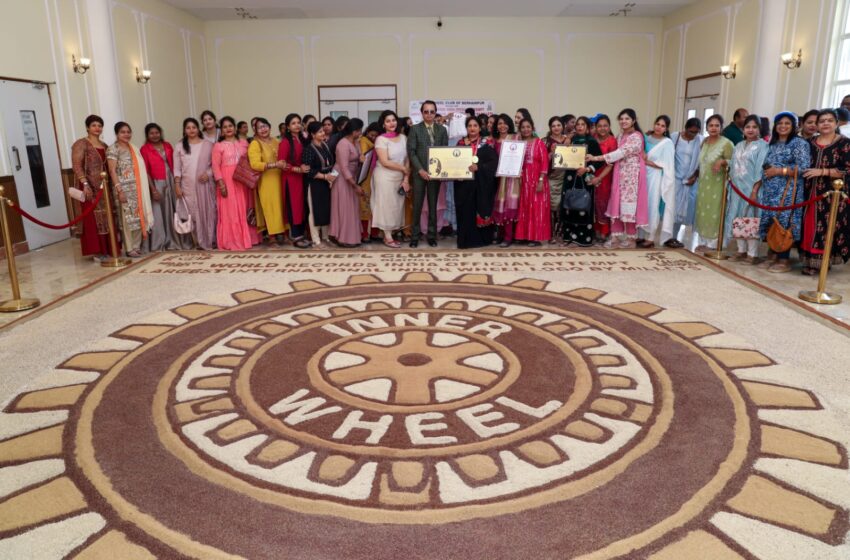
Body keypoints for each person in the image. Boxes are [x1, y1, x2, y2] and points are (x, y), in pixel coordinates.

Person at [757, 112, 811, 273]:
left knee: (784, 221)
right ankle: (772, 255)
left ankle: (784, 259)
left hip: (788, 189)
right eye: (780, 123)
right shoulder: (772, 143)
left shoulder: (798, 143)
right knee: (771, 220)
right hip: (770, 190)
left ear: (794, 126)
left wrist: (780, 171)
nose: (783, 126)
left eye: (787, 123)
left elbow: (803, 167)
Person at [587, 108, 648, 249]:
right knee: (617, 204)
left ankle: (631, 240)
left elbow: (619, 153)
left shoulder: (637, 136)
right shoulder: (620, 136)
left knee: (629, 207)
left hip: (631, 176)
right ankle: (615, 238)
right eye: (621, 119)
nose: (623, 121)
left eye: (627, 118)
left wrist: (596, 157)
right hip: (619, 174)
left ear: (633, 120)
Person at [800, 109, 850, 274]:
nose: (826, 123)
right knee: (808, 225)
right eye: (822, 121)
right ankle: (809, 260)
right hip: (809, 192)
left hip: (832, 194)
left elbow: (847, 169)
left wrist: (822, 172)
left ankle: (822, 262)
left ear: (836, 123)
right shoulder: (810, 142)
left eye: (829, 120)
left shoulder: (844, 143)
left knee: (827, 226)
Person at [724, 115, 768, 263]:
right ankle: (741, 250)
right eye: (747, 127)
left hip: (751, 190)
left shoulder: (763, 146)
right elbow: (735, 164)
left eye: (754, 127)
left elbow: (759, 169)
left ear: (759, 129)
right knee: (737, 218)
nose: (750, 130)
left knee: (750, 219)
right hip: (736, 190)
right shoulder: (739, 145)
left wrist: (754, 191)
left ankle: (752, 254)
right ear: (743, 129)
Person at [106, 122, 153, 258]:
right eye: (123, 132)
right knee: (127, 220)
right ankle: (129, 247)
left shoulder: (133, 148)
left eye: (128, 131)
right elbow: (112, 171)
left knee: (138, 217)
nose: (126, 134)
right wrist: (119, 190)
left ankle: (136, 246)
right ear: (117, 134)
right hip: (124, 190)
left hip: (137, 189)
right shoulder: (113, 149)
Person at [71, 115, 113, 260]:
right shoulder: (81, 144)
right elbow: (77, 165)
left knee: (106, 216)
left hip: (105, 187)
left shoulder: (105, 145)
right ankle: (97, 251)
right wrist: (85, 184)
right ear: (88, 127)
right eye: (94, 125)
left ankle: (109, 248)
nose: (97, 128)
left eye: (100, 125)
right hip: (90, 187)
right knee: (94, 218)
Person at [212, 116, 258, 250]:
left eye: (230, 126)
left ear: (235, 127)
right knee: (231, 210)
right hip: (227, 180)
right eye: (225, 127)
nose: (228, 129)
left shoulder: (244, 143)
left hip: (243, 180)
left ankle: (250, 238)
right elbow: (215, 166)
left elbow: (251, 161)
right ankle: (232, 240)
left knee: (246, 207)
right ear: (221, 130)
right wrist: (221, 184)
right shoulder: (218, 146)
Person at [407, 100, 449, 247]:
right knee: (417, 205)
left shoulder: (442, 130)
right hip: (419, 173)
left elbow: (445, 152)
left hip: (435, 174)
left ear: (435, 112)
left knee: (433, 206)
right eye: (426, 112)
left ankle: (432, 235)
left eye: (432, 111)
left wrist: (441, 172)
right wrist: (420, 170)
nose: (429, 114)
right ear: (422, 113)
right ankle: (415, 236)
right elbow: (411, 153)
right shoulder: (415, 129)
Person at [140, 123, 186, 251]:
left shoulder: (167, 145)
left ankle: (175, 241)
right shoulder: (145, 149)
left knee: (174, 211)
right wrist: (153, 189)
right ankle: (158, 243)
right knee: (158, 214)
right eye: (151, 133)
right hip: (156, 182)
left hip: (171, 181)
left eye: (157, 132)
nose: (155, 135)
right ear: (147, 135)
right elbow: (146, 171)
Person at [454, 117, 497, 249]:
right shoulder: (460, 143)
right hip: (463, 184)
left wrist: (479, 167)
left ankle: (481, 240)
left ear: (479, 127)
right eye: (469, 126)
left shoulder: (486, 143)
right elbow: (453, 163)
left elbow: (493, 163)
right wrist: (457, 173)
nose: (472, 128)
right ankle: (465, 240)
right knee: (465, 211)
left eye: (475, 125)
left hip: (481, 184)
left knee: (480, 208)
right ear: (466, 128)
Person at [174, 118, 216, 250]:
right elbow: (177, 168)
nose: (191, 130)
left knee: (208, 211)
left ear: (198, 128)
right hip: (187, 186)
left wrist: (208, 174)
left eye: (194, 127)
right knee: (192, 213)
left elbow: (215, 165)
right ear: (184, 130)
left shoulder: (208, 145)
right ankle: (198, 241)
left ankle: (210, 240)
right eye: (188, 128)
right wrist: (177, 185)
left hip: (205, 184)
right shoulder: (180, 146)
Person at [694, 114, 734, 253]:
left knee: (715, 212)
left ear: (721, 127)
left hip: (718, 185)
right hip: (703, 184)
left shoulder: (726, 143)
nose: (713, 128)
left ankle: (713, 243)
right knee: (703, 212)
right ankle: (703, 241)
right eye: (711, 125)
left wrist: (722, 161)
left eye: (717, 125)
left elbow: (735, 163)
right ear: (706, 127)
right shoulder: (704, 142)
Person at [371, 110, 410, 248]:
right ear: (383, 124)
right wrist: (403, 169)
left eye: (393, 120)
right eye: (388, 121)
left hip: (399, 176)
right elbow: (385, 161)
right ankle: (387, 237)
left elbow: (407, 160)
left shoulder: (403, 137)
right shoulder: (381, 139)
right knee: (386, 206)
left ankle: (389, 234)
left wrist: (406, 178)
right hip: (384, 176)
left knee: (396, 207)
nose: (391, 123)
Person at [561, 116, 601, 247]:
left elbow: (600, 162)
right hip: (570, 178)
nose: (579, 126)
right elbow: (562, 157)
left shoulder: (592, 142)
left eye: (583, 124)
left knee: (583, 205)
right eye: (577, 124)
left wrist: (587, 168)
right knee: (569, 204)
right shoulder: (571, 140)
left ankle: (583, 238)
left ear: (588, 127)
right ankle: (569, 236)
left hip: (584, 178)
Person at [638, 115, 676, 248]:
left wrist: (648, 162)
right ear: (654, 124)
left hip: (656, 177)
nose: (659, 127)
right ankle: (640, 235)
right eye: (657, 124)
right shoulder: (645, 138)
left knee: (653, 205)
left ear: (666, 129)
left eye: (663, 125)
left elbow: (668, 165)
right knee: (641, 204)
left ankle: (651, 237)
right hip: (642, 175)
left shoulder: (667, 143)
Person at [248, 118, 286, 246]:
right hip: (266, 180)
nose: (263, 129)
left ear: (270, 127)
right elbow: (254, 164)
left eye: (265, 126)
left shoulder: (276, 141)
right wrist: (274, 164)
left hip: (279, 177)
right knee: (269, 206)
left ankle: (281, 232)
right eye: (260, 127)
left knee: (280, 205)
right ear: (255, 130)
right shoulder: (255, 144)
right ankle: (272, 236)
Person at [514, 118, 551, 247]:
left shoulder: (539, 143)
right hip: (523, 181)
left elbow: (545, 163)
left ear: (532, 128)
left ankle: (535, 237)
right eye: (523, 127)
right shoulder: (518, 144)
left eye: (528, 127)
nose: (525, 129)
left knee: (537, 208)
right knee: (524, 208)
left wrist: (541, 180)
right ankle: (524, 236)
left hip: (537, 181)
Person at [278, 113, 311, 248]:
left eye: (298, 122)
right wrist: (297, 170)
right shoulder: (285, 142)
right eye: (293, 123)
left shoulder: (303, 139)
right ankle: (296, 236)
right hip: (291, 179)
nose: (297, 125)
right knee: (294, 207)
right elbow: (281, 163)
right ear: (287, 127)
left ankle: (302, 234)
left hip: (303, 177)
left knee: (303, 206)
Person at [330, 118, 365, 247]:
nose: (361, 133)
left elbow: (358, 158)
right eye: (359, 130)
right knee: (345, 209)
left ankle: (352, 237)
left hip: (352, 178)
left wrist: (361, 159)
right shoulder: (343, 144)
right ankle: (343, 238)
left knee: (351, 209)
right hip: (343, 179)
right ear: (354, 131)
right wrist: (355, 185)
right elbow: (344, 168)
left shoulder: (355, 142)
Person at [669, 118, 702, 248]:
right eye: (690, 131)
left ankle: (676, 237)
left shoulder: (700, 140)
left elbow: (701, 161)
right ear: (685, 128)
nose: (692, 135)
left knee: (685, 210)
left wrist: (695, 176)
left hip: (691, 181)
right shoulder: (675, 137)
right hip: (675, 180)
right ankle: (670, 237)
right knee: (673, 210)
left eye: (695, 132)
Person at [491, 114, 522, 246]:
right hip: (497, 179)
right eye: (499, 123)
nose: (502, 126)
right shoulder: (492, 141)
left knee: (510, 205)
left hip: (512, 179)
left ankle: (509, 237)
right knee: (499, 206)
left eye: (504, 123)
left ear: (509, 124)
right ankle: (500, 234)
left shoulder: (516, 138)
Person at [303, 121, 336, 247]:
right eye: (320, 131)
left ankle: (326, 237)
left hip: (326, 182)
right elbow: (308, 171)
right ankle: (316, 238)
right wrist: (325, 176)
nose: (323, 133)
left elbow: (330, 163)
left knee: (325, 209)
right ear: (312, 134)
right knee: (314, 210)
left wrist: (331, 177)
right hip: (314, 183)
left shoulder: (325, 145)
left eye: (323, 131)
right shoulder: (309, 149)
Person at [592, 114, 616, 242]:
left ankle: (605, 231)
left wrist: (600, 178)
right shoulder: (592, 139)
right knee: (593, 203)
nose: (602, 128)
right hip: (591, 174)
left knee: (604, 203)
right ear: (595, 128)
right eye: (599, 126)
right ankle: (595, 230)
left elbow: (611, 163)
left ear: (609, 127)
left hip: (606, 176)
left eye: (605, 126)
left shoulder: (612, 141)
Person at [544, 116, 569, 241]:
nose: (556, 128)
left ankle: (562, 234)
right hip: (552, 178)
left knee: (564, 206)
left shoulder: (568, 140)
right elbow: (543, 162)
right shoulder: (545, 141)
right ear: (550, 128)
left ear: (562, 126)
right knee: (553, 206)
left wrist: (567, 147)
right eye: (553, 126)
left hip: (566, 177)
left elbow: (574, 158)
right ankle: (552, 234)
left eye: (558, 125)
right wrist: (551, 153)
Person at [359, 122, 381, 242]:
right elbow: (363, 156)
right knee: (365, 206)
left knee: (375, 206)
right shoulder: (363, 141)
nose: (373, 137)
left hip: (375, 177)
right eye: (372, 134)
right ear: (367, 132)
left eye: (376, 136)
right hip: (366, 178)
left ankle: (374, 233)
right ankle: (364, 235)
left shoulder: (377, 142)